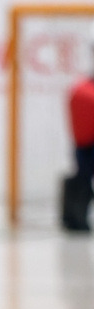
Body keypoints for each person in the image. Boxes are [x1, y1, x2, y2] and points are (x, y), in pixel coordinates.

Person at [62, 55, 94, 231]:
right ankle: (76, 218)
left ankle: (75, 218)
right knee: (81, 182)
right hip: (86, 144)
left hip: (82, 144)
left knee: (81, 180)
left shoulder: (79, 90)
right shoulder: (84, 91)